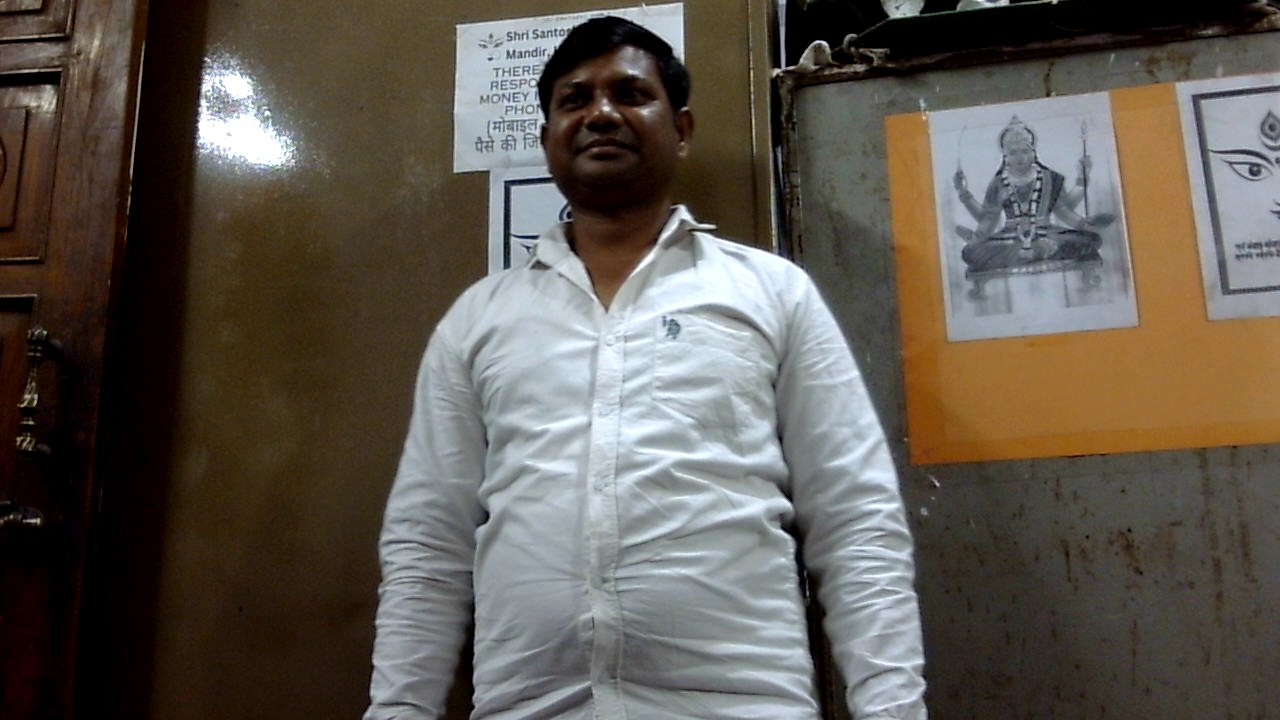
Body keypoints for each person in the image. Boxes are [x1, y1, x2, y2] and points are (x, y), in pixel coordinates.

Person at [365, 16, 927, 720]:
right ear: (547, 137)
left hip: (739, 706)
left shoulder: (771, 294)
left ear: (681, 129)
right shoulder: (479, 320)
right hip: (534, 706)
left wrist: (893, 710)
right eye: (575, 99)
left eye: (630, 94)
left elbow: (855, 520)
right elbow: (428, 544)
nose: (601, 113)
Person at [953, 116, 1111, 273]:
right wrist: (963, 193)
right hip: (1010, 238)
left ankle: (1030, 252)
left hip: (1047, 234)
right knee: (970, 253)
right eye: (1013, 152)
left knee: (1092, 240)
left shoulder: (1050, 179)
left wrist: (1084, 220)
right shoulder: (998, 183)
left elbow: (1064, 211)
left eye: (1025, 151)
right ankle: (1036, 252)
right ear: (1005, 156)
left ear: (1033, 153)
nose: (1020, 157)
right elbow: (988, 218)